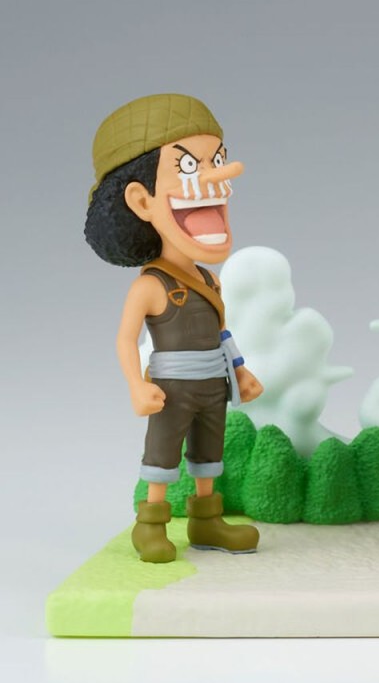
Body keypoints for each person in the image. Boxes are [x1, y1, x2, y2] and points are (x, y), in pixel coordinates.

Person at [85, 93, 263, 563]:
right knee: (162, 457)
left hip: (213, 384)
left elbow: (222, 333)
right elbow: (125, 339)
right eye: (188, 166)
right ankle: (150, 525)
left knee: (208, 455)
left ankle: (206, 521)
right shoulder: (150, 286)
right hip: (171, 388)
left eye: (218, 160)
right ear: (142, 200)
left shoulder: (209, 280)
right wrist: (136, 385)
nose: (218, 175)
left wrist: (240, 371)